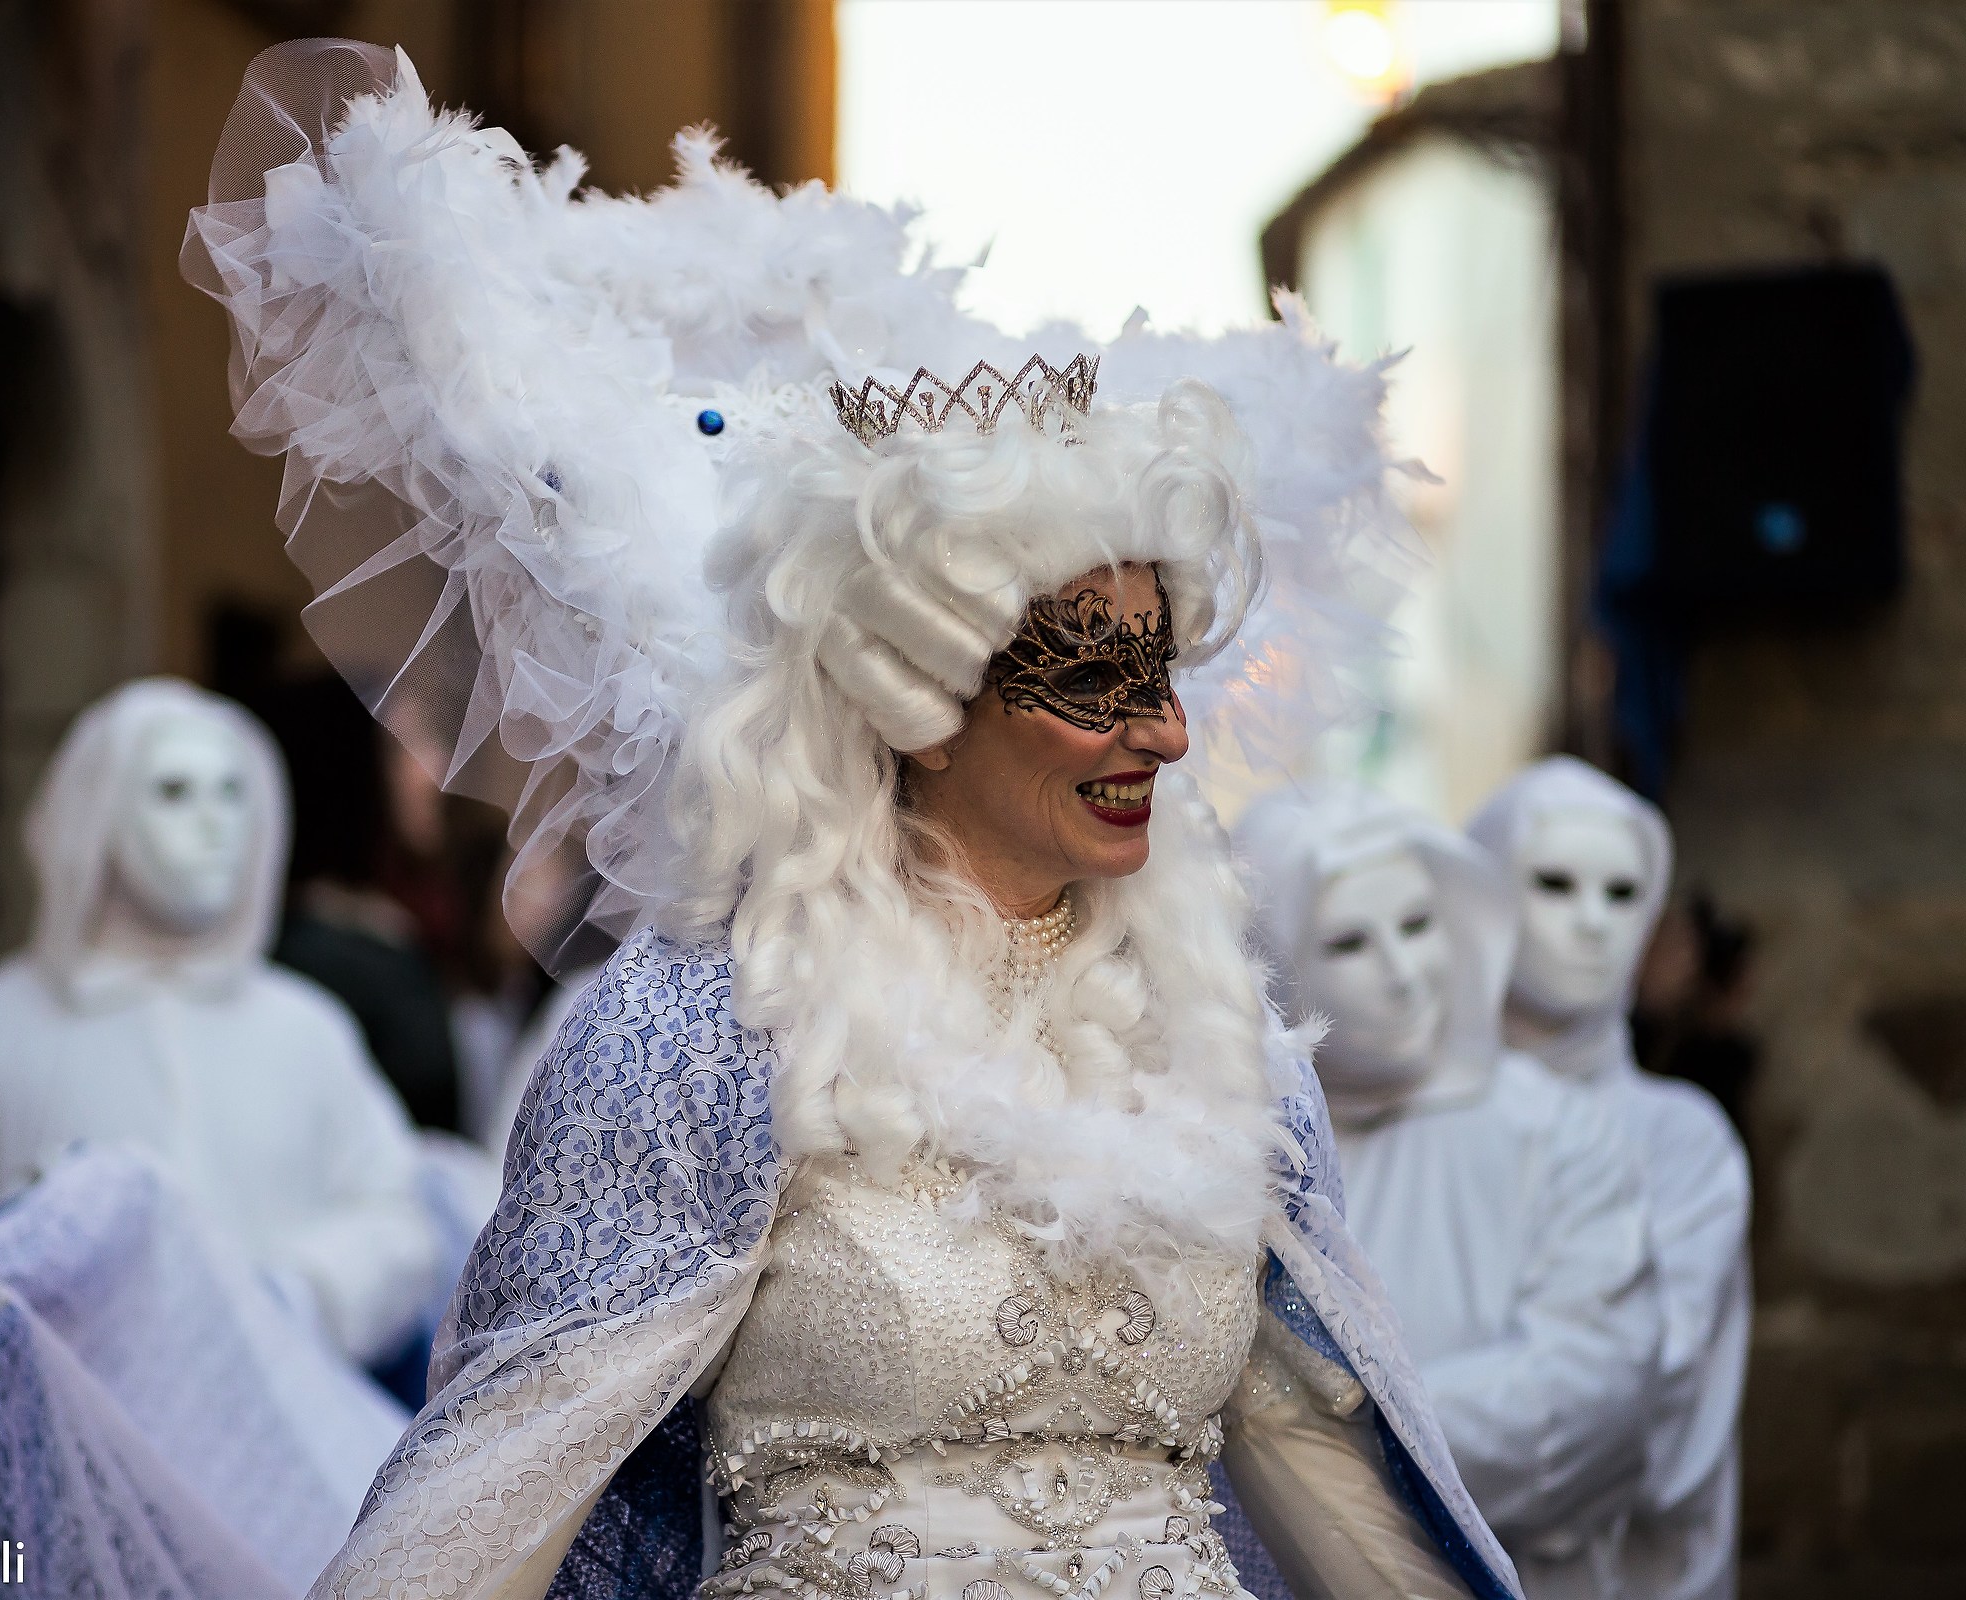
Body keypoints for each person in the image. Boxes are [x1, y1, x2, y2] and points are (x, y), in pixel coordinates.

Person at [186, 40, 1523, 1600]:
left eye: (1163, 672)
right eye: (1091, 677)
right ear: (916, 699)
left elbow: (1331, 1478)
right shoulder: (706, 1033)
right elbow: (489, 1494)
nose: (1162, 728)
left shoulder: (1211, 1037)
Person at [0, 676, 443, 1371]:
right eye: (173, 792)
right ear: (98, 814)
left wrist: (295, 1293)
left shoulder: (308, 1031)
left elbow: (398, 1221)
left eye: (233, 793)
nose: (214, 823)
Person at [1236, 786, 1664, 1600]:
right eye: (1352, 942)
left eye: (1419, 925)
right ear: (1279, 961)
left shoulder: (1555, 1132)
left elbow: (1590, 1390)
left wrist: (1339, 1427)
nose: (1403, 975)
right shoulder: (1250, 1156)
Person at [1469, 760, 1751, 1600]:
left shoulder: (1682, 1141)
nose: (1594, 924)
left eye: (1624, 894)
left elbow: (1640, 1410)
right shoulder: (1410, 1128)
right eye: (1554, 884)